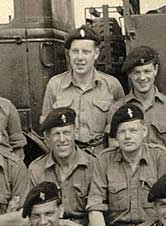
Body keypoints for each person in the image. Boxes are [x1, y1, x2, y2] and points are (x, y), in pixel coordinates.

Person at [42, 25, 124, 154]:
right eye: (75, 51)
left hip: (101, 156)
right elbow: (47, 128)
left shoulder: (112, 86)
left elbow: (121, 128)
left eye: (86, 52)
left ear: (96, 54)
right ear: (68, 53)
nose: (80, 58)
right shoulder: (55, 85)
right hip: (69, 156)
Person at [107, 46, 166, 170]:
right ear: (129, 75)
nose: (142, 78)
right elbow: (113, 147)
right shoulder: (117, 108)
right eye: (137, 72)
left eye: (147, 71)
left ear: (155, 70)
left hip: (163, 173)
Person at [29, 107, 97, 226]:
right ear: (47, 138)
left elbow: (97, 214)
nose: (62, 139)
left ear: (75, 132)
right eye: (56, 134)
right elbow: (32, 213)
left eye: (66, 133)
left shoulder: (93, 165)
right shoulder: (36, 169)